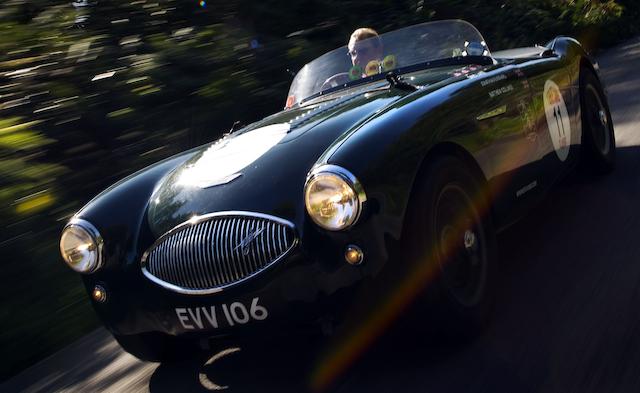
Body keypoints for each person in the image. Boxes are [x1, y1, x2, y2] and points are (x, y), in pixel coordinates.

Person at [321, 27, 385, 90]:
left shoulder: (392, 74)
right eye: (353, 53)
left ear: (378, 50)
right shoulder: (352, 87)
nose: (357, 58)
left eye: (363, 51)